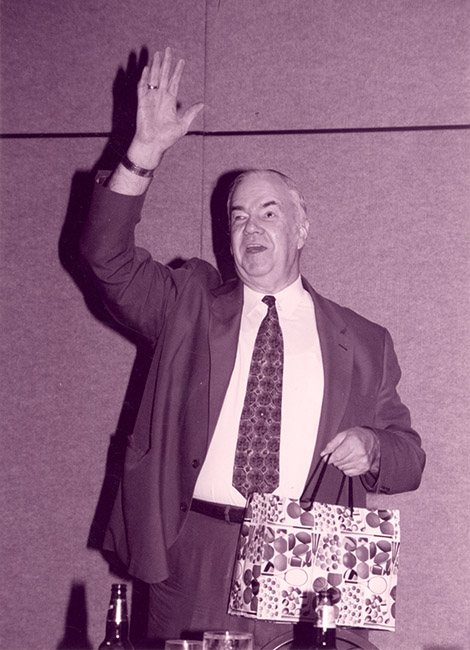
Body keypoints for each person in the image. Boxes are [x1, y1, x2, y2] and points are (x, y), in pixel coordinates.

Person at [80, 48, 425, 648]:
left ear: (302, 228)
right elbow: (105, 259)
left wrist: (373, 446)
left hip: (308, 558)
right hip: (191, 554)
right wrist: (143, 154)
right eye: (239, 217)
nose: (251, 228)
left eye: (269, 212)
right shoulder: (187, 302)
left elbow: (409, 457)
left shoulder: (364, 340)